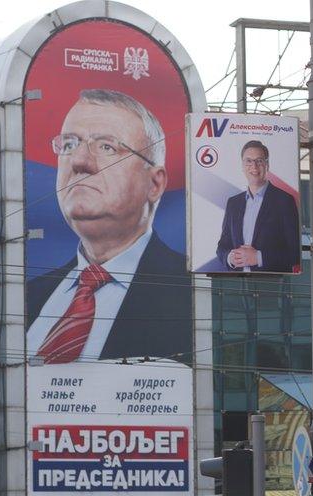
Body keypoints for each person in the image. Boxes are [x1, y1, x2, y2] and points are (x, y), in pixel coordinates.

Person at [26, 89, 191, 364]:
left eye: (106, 147)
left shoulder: (193, 294)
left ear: (155, 183)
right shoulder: (27, 295)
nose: (79, 162)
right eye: (68, 145)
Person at [215, 140, 301, 273]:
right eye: (248, 161)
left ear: (267, 165)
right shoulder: (233, 203)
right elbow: (222, 246)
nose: (254, 166)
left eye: (259, 161)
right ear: (242, 166)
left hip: (271, 285)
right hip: (237, 284)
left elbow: (295, 252)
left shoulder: (284, 201)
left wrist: (259, 258)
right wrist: (229, 257)